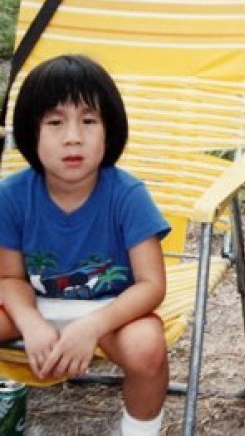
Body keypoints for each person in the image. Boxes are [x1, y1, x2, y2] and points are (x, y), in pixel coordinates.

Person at [0, 55, 171, 436]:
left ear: (110, 130)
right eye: (55, 122)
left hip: (111, 309)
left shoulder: (128, 195)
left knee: (147, 347)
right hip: (35, 304)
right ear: (31, 132)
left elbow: (151, 285)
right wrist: (31, 324)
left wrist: (92, 326)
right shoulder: (11, 195)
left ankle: (138, 431)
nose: (73, 136)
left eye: (89, 121)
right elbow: (9, 277)